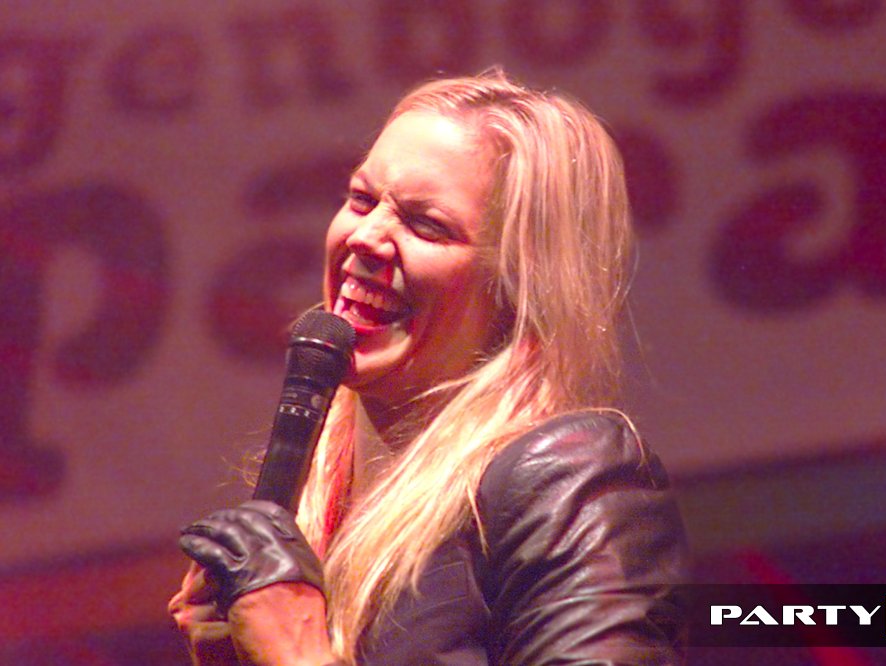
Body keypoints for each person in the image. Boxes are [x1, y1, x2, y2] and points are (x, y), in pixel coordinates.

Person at [168, 68, 687, 666]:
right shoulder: (324, 490)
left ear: (517, 286)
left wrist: (296, 653)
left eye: (425, 224)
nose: (366, 236)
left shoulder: (568, 476)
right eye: (362, 200)